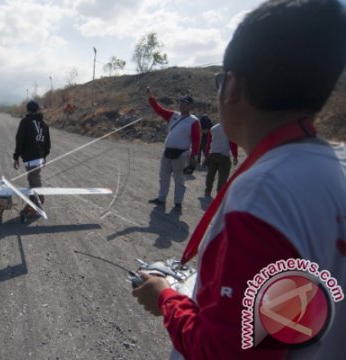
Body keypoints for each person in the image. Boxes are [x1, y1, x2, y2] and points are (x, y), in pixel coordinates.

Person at [132, 0, 346, 359]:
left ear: (232, 86)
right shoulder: (333, 167)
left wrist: (165, 298)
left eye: (220, 80)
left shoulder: (263, 196)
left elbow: (225, 351)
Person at [146, 89, 200, 210]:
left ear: (190, 106)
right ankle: (161, 198)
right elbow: (158, 109)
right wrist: (151, 97)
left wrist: (194, 157)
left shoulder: (194, 121)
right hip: (167, 152)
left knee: (179, 179)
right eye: (181, 103)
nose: (182, 106)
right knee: (163, 176)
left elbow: (196, 141)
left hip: (181, 155)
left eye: (185, 104)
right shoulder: (173, 115)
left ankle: (178, 203)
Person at [13, 100, 51, 215]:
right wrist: (44, 156)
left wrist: (16, 156)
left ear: (28, 110)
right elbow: (47, 143)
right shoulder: (44, 124)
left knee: (34, 181)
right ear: (38, 110)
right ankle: (33, 203)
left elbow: (19, 139)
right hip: (39, 157)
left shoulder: (25, 121)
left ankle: (37, 204)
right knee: (33, 180)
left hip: (30, 158)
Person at [203, 122, 238, 197]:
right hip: (224, 155)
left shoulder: (213, 128)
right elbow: (233, 144)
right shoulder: (230, 129)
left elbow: (208, 143)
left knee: (210, 174)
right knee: (223, 176)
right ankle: (220, 194)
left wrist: (206, 155)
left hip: (213, 154)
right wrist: (235, 156)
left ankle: (208, 191)